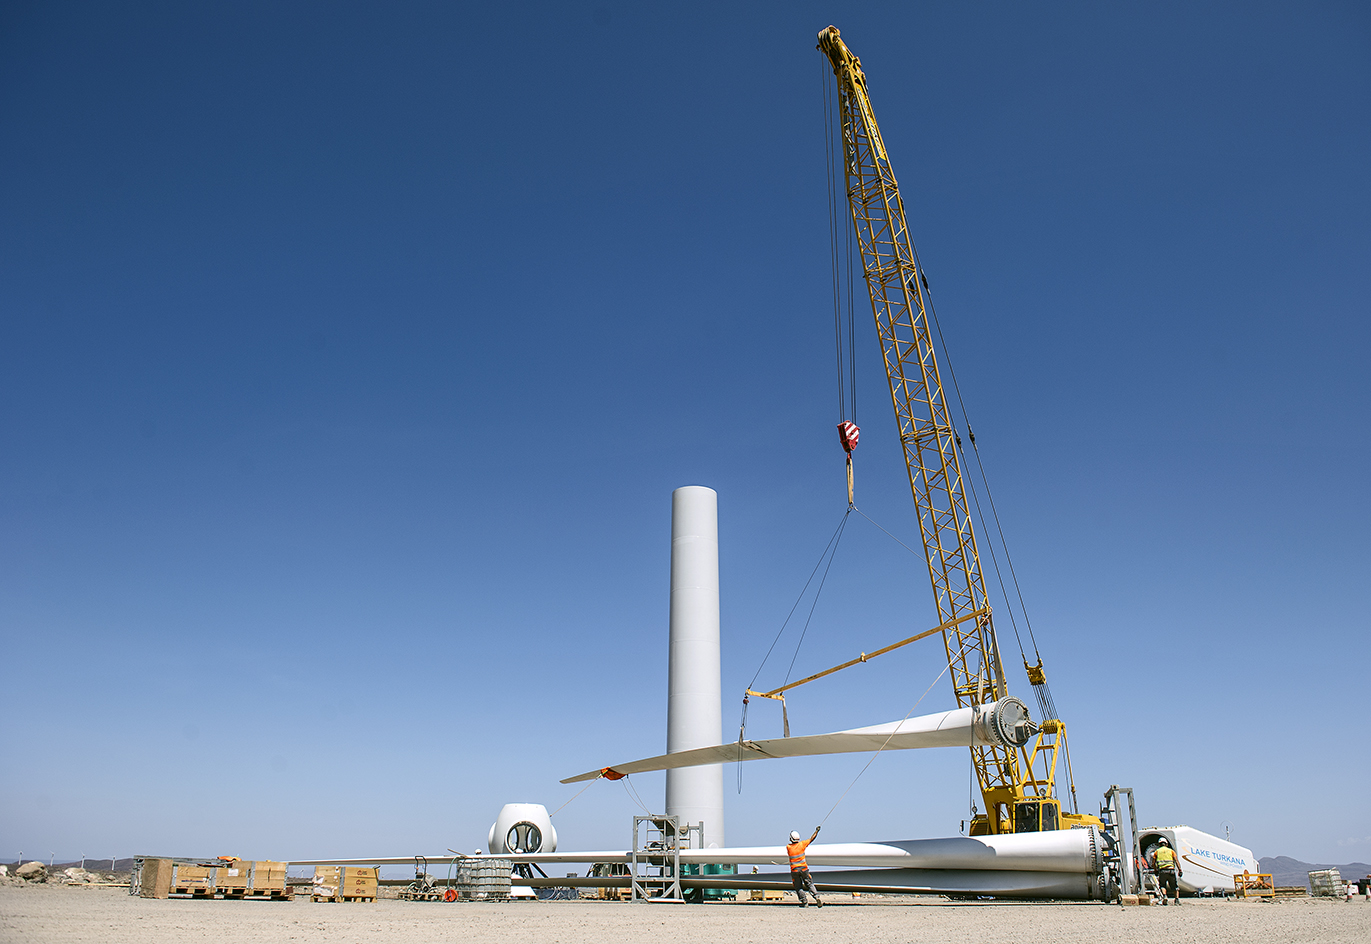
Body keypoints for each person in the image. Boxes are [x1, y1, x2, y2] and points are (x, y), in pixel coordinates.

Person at [786, 826, 823, 907]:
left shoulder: (788, 847)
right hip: (804, 869)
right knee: (809, 884)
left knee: (798, 887)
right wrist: (816, 831)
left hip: (794, 871)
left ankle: (804, 902)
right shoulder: (802, 844)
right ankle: (816, 897)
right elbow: (811, 839)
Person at [1152, 839, 1182, 905]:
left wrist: (1155, 870)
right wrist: (1180, 870)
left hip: (1162, 871)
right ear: (1166, 844)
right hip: (1171, 870)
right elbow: (1176, 861)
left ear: (1159, 844)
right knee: (1174, 886)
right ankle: (1176, 900)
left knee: (1162, 885)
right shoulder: (1171, 851)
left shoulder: (1157, 852)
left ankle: (1165, 896)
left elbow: (1153, 863)